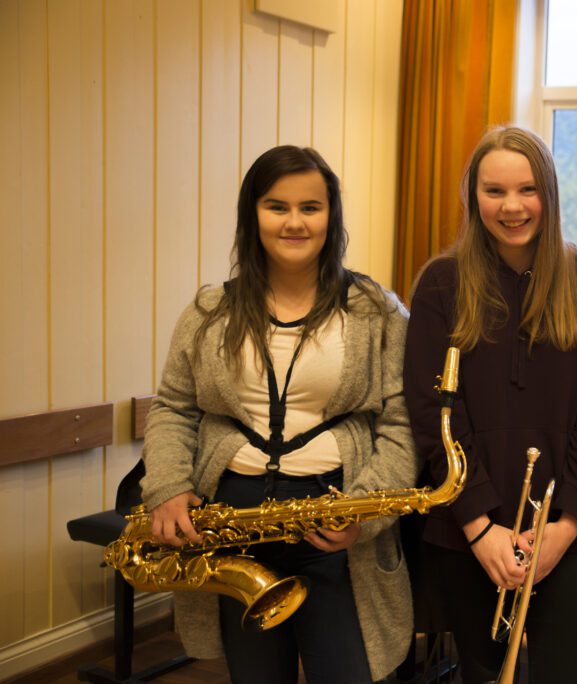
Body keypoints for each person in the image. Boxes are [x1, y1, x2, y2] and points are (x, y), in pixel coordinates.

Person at [139, 145, 416, 684]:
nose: (294, 222)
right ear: (252, 214)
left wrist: (364, 513)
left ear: (331, 216)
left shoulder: (377, 311)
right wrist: (167, 486)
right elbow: (173, 407)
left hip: (337, 524)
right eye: (276, 206)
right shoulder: (208, 311)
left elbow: (401, 424)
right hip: (232, 527)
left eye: (310, 207)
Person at [403, 126, 577, 684]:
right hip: (467, 530)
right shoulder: (440, 285)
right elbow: (433, 416)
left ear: (548, 195)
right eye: (493, 191)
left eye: (527, 190)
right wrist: (481, 529)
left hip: (571, 535)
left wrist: (562, 528)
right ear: (471, 196)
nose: (511, 207)